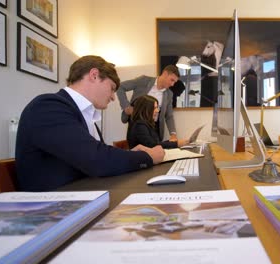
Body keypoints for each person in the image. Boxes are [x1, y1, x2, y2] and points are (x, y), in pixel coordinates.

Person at [15, 55, 165, 191]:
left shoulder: (81, 113)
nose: (113, 97)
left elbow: (94, 153)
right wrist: (148, 157)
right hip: (51, 208)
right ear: (94, 75)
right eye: (112, 89)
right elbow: (97, 160)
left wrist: (129, 155)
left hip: (80, 194)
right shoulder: (48, 106)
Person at [117, 65, 179, 141]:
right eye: (171, 80)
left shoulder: (169, 94)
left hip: (155, 129)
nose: (172, 84)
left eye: (174, 82)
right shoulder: (143, 81)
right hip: (137, 125)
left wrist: (173, 134)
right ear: (165, 74)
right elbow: (120, 87)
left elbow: (169, 115)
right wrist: (126, 107)